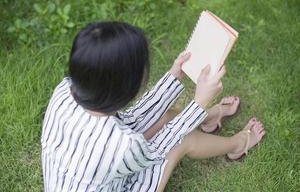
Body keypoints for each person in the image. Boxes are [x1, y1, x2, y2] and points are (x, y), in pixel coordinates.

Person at [41, 22, 265, 192]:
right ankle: (237, 145)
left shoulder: (65, 90)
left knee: (164, 117)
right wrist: (198, 102)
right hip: (118, 180)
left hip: (91, 173)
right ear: (127, 89)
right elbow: (161, 147)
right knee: (181, 139)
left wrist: (174, 76)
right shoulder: (121, 145)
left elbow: (132, 119)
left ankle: (211, 118)